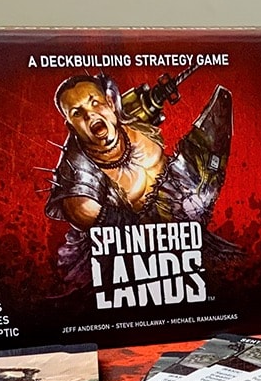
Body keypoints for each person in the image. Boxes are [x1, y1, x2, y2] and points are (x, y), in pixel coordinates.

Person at [44, 73, 235, 277]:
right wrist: (144, 230)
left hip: (189, 223)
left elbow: (140, 105)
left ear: (110, 102)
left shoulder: (127, 117)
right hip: (134, 258)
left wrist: (159, 95)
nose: (90, 115)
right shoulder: (77, 174)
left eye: (95, 103)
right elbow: (82, 211)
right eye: (76, 112)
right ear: (70, 126)